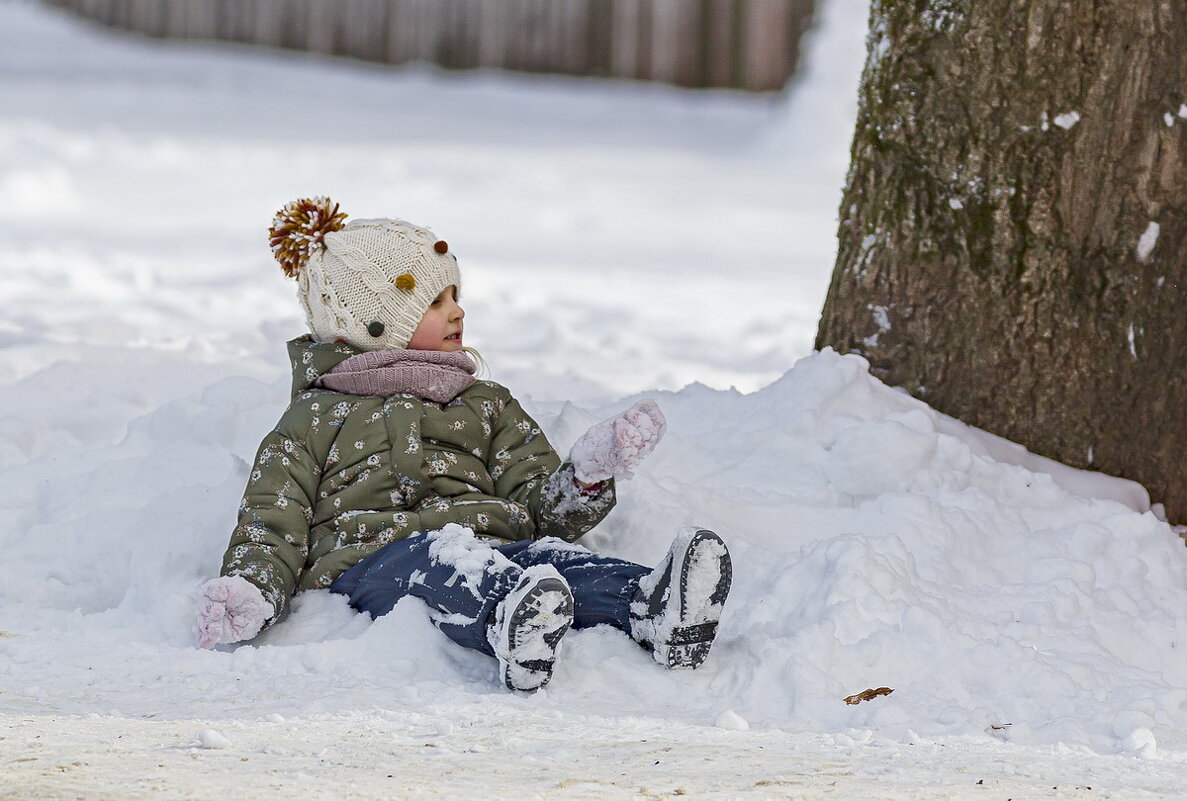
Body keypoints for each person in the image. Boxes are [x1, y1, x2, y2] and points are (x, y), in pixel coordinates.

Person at [196, 197, 732, 691]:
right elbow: (272, 517)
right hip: (374, 562)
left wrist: (586, 475)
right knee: (443, 560)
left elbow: (538, 509)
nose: (458, 311)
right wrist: (253, 587)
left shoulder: (485, 403)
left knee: (547, 558)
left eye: (455, 295)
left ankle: (650, 606)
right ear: (373, 324)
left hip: (497, 547)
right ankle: (510, 623)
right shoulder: (313, 417)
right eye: (434, 301)